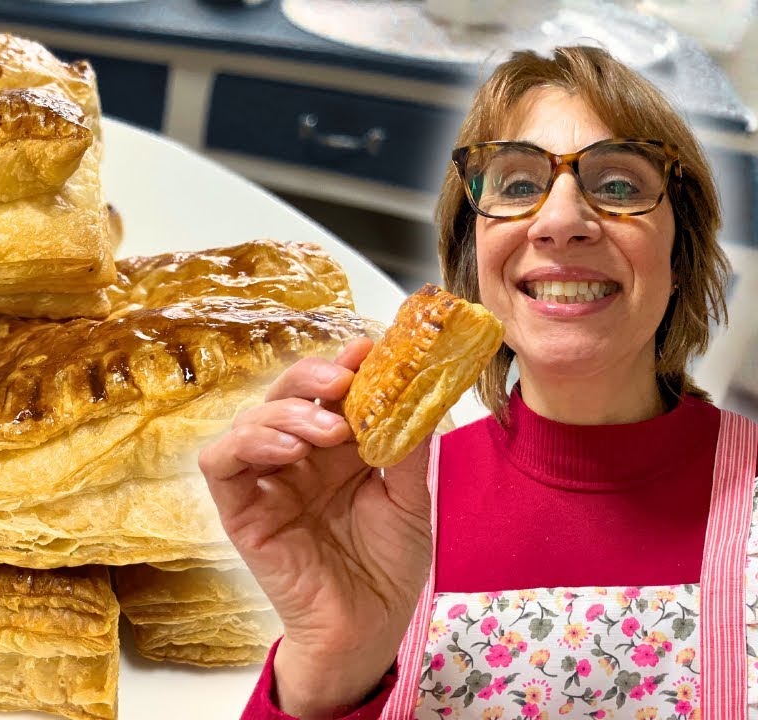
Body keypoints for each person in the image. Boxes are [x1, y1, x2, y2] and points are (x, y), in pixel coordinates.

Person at [199, 45, 757, 719]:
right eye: (517, 186)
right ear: (476, 261)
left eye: (617, 186)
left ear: (679, 256)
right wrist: (332, 658)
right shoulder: (375, 504)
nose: (560, 222)